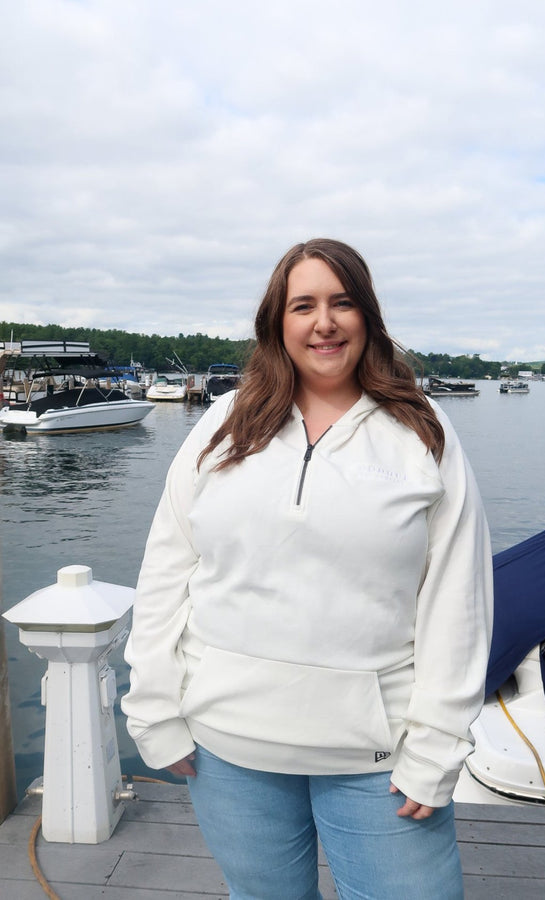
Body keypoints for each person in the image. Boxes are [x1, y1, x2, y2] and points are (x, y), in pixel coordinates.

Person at [122, 238, 493, 900]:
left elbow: (457, 602)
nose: (324, 322)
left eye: (341, 302)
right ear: (278, 323)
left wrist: (437, 748)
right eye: (304, 305)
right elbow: (166, 575)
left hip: (378, 758)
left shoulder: (422, 434)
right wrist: (153, 708)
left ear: (367, 319)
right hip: (227, 749)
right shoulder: (221, 428)